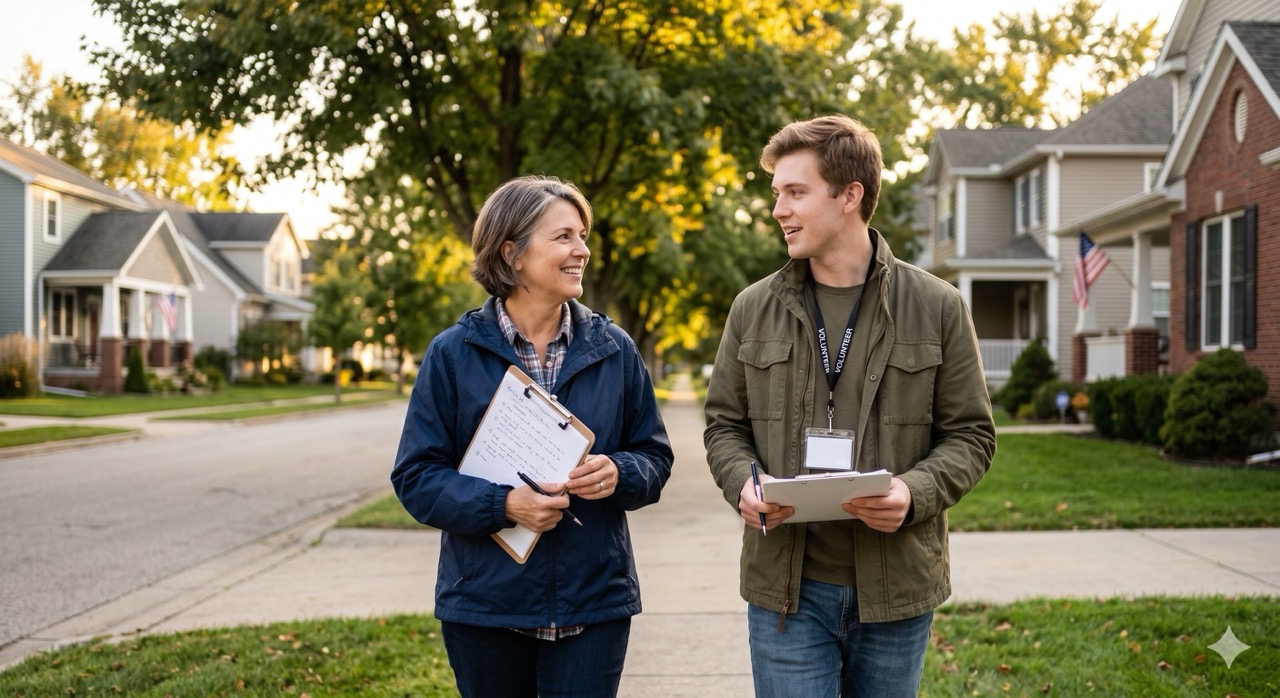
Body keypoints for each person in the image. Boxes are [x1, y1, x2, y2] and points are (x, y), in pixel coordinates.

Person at [703, 115, 996, 697]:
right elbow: (723, 426)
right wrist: (742, 482)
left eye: (795, 192)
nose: (778, 210)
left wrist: (915, 492)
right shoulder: (751, 308)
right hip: (786, 588)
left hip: (896, 589)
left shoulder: (938, 307)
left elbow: (972, 436)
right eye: (777, 194)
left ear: (849, 196)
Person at [392, 174, 674, 698]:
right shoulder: (452, 354)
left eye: (583, 236)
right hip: (485, 606)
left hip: (595, 603)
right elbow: (416, 476)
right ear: (512, 253)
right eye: (564, 237)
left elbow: (654, 457)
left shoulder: (614, 348)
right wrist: (505, 505)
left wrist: (620, 472)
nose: (582, 250)